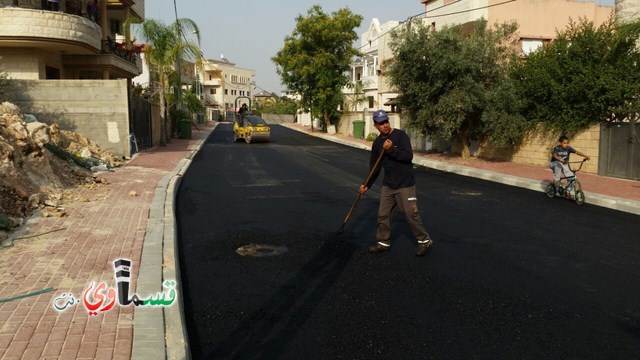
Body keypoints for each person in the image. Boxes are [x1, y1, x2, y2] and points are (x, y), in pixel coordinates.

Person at [359, 110, 434, 256]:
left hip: (405, 184)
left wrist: (392, 149)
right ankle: (383, 242)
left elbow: (408, 156)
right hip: (388, 185)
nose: (385, 125)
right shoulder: (377, 143)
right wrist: (366, 185)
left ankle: (424, 241)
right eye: (381, 123)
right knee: (383, 215)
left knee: (410, 214)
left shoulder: (400, 136)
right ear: (375, 126)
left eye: (386, 121)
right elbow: (375, 167)